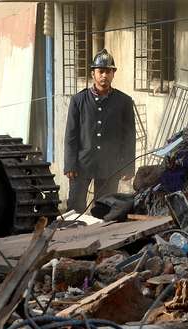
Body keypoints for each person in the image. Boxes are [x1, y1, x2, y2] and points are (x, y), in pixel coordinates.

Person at [64, 49, 136, 213]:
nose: (104, 75)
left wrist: (128, 167)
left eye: (108, 71)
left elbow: (129, 137)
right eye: (100, 71)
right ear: (93, 74)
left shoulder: (124, 101)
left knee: (104, 210)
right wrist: (70, 164)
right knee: (74, 208)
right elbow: (71, 135)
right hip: (81, 164)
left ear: (113, 74)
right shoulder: (78, 100)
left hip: (109, 166)